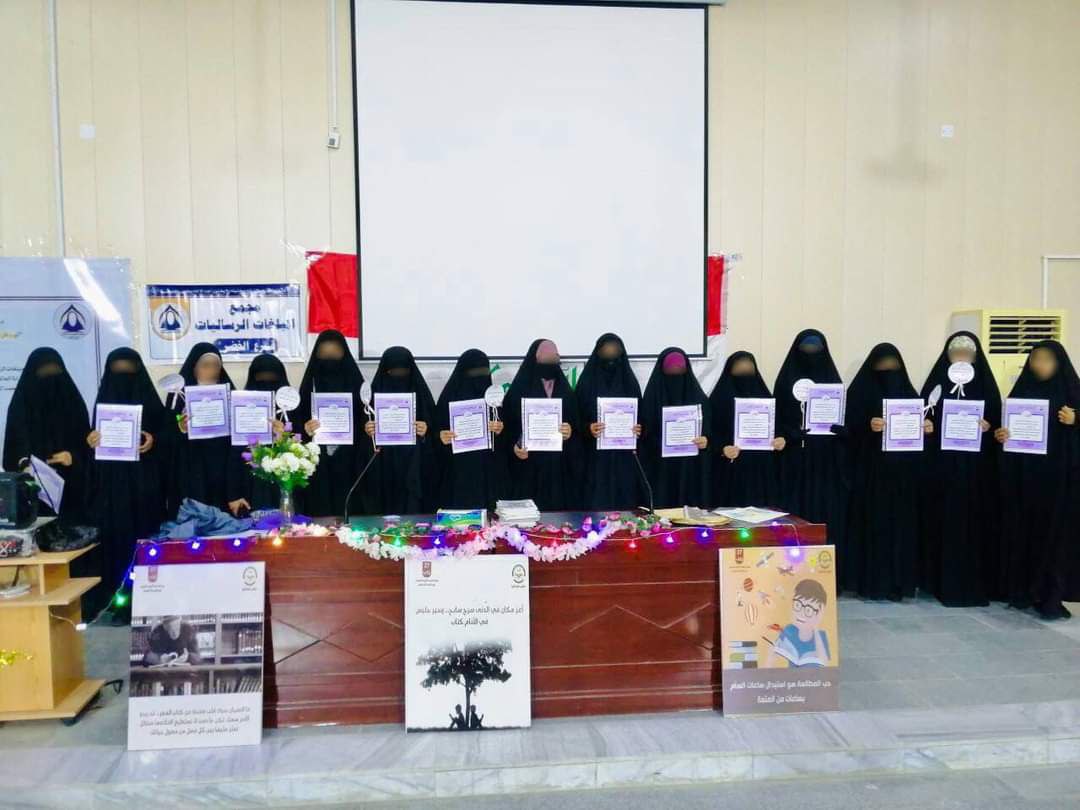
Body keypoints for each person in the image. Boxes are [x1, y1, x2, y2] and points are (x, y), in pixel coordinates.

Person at [995, 340, 1080, 619]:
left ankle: (1051, 596)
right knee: (1025, 533)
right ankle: (1022, 591)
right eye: (1035, 359)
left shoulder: (1071, 392)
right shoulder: (1022, 391)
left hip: (1060, 481)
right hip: (1026, 479)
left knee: (1055, 537)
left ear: (1059, 363)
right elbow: (1004, 431)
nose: (1040, 365)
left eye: (1047, 359)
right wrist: (1002, 435)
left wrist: (1076, 420)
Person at [919, 332, 1001, 607]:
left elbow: (999, 422)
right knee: (943, 521)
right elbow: (923, 414)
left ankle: (973, 582)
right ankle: (939, 581)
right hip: (942, 468)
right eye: (956, 353)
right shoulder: (937, 384)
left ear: (976, 358)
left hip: (976, 471)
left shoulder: (986, 386)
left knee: (973, 523)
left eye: (967, 354)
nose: (962, 358)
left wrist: (989, 427)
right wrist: (927, 426)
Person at [844, 343, 931, 600]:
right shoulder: (859, 393)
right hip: (871, 476)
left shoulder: (910, 395)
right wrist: (867, 426)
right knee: (874, 527)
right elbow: (846, 430)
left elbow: (919, 437)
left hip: (903, 476)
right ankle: (872, 582)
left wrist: (925, 427)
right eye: (882, 366)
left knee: (901, 529)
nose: (888, 371)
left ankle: (899, 583)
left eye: (893, 366)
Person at [84, 348, 165, 621]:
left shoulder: (152, 404)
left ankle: (151, 601)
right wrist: (91, 443)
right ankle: (118, 601)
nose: (123, 377)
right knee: (117, 542)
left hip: (146, 488)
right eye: (118, 371)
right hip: (113, 491)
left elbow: (169, 441)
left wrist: (153, 441)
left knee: (146, 539)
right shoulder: (102, 405)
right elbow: (91, 458)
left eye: (129, 371)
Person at [773, 330, 850, 552]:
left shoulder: (833, 382)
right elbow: (776, 420)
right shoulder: (785, 382)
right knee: (795, 518)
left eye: (816, 349)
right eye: (806, 349)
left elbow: (847, 424)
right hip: (794, 462)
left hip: (827, 464)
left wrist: (841, 430)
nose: (811, 353)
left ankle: (826, 565)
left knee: (826, 515)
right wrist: (790, 435)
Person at [2, 348, 92, 521]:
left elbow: (86, 445)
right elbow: (13, 448)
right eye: (44, 372)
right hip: (33, 491)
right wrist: (25, 464)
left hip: (72, 489)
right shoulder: (20, 406)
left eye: (54, 372)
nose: (50, 378)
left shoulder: (73, 403)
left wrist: (73, 457)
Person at [295, 330, 372, 517]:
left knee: (350, 513)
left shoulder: (356, 384)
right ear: (316, 356)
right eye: (324, 354)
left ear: (344, 355)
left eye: (334, 354)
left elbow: (366, 419)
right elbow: (297, 425)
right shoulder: (309, 386)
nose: (329, 359)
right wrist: (305, 429)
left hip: (351, 461)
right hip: (318, 463)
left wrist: (366, 429)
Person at [167, 343, 247, 517]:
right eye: (205, 365)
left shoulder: (231, 394)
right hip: (191, 466)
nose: (211, 371)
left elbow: (241, 434)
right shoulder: (178, 396)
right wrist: (181, 428)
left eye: (216, 366)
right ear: (194, 368)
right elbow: (166, 433)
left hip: (223, 465)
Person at [501, 339, 582, 511]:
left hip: (559, 468)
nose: (551, 364)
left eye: (554, 360)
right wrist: (514, 446)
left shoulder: (565, 391)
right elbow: (507, 427)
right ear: (534, 360)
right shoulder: (518, 390)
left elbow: (577, 424)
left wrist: (570, 431)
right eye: (546, 360)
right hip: (528, 466)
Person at [364, 346, 438, 514]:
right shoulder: (371, 399)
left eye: (403, 372)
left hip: (414, 466)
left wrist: (426, 431)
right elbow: (361, 445)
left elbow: (436, 434)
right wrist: (368, 431)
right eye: (393, 372)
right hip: (383, 466)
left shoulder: (422, 397)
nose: (399, 376)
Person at [575, 334, 643, 510]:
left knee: (625, 507)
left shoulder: (630, 383)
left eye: (615, 352)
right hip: (594, 458)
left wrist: (639, 428)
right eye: (606, 352)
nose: (611, 356)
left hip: (624, 459)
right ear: (597, 353)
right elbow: (575, 418)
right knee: (596, 504)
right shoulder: (586, 383)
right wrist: (588, 428)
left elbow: (643, 418)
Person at [435, 349, 507, 509]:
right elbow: (436, 433)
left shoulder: (495, 401)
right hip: (458, 473)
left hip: (489, 474)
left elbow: (507, 441)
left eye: (484, 372)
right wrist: (441, 436)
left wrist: (500, 431)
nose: (480, 377)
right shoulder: (449, 397)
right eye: (474, 372)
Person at [710, 351, 784, 507]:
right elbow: (710, 435)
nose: (745, 376)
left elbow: (779, 429)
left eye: (749, 372)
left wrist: (781, 439)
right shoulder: (718, 400)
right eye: (740, 372)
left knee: (763, 514)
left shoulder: (766, 399)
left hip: (762, 471)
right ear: (729, 372)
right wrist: (722, 448)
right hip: (730, 471)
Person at [640, 347, 710, 508]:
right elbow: (644, 433)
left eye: (679, 370)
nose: (675, 373)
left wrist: (706, 440)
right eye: (670, 370)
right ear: (661, 371)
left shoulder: (700, 399)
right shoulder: (651, 399)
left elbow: (710, 432)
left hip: (691, 468)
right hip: (660, 468)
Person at [237, 353, 290, 510]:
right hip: (250, 481)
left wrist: (282, 436)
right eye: (261, 377)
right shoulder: (241, 408)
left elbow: (299, 448)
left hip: (285, 480)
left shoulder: (292, 409)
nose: (267, 381)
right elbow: (236, 453)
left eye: (272, 377)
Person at [765, 579, 831, 668]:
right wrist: (771, 655)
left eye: (808, 610)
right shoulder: (789, 629)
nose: (801, 613)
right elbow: (770, 662)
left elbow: (824, 664)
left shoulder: (820, 635)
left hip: (813, 676)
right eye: (797, 605)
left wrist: (816, 624)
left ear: (818, 612)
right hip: (792, 675)